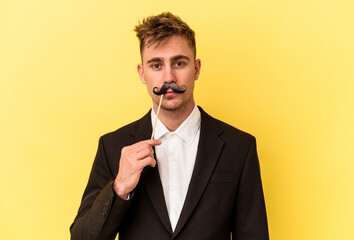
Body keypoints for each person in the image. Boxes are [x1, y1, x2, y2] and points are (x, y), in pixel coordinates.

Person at [70, 12, 269, 240]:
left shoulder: (240, 148)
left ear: (196, 69)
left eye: (179, 63)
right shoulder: (113, 146)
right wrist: (119, 186)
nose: (169, 77)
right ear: (142, 73)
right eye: (156, 65)